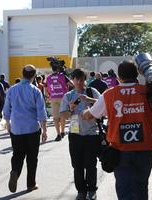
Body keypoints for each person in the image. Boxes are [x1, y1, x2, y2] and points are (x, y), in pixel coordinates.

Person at [82, 60, 152, 200]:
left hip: (120, 150)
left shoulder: (109, 94)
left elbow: (91, 115)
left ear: (119, 77)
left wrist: (85, 112)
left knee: (124, 188)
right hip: (146, 148)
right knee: (141, 186)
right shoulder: (147, 92)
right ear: (137, 75)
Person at [3, 64, 47, 193]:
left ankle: (15, 171)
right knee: (32, 158)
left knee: (17, 155)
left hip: (16, 128)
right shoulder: (35, 91)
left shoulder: (12, 90)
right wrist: (44, 130)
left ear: (22, 74)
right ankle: (31, 184)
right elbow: (41, 112)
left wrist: (7, 122)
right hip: (32, 129)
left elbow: (6, 108)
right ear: (34, 76)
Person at [60, 68, 100, 200]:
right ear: (73, 80)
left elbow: (104, 105)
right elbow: (63, 115)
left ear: (85, 80)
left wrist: (89, 99)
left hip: (91, 134)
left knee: (90, 164)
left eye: (82, 79)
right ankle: (81, 191)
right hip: (75, 133)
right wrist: (71, 109)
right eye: (76, 79)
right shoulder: (68, 96)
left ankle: (92, 190)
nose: (79, 82)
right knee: (77, 165)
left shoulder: (91, 92)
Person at [46, 61, 73, 141]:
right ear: (58, 68)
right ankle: (62, 131)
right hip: (63, 97)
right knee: (62, 115)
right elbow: (71, 84)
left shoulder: (48, 77)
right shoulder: (62, 76)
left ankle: (58, 134)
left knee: (55, 117)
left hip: (53, 97)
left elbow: (47, 88)